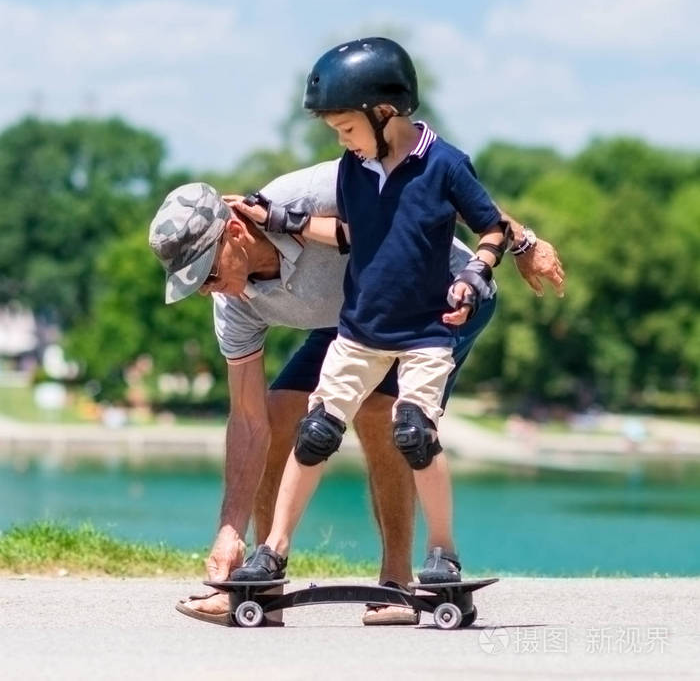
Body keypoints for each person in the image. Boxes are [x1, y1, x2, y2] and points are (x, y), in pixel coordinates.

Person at [149, 164, 564, 624]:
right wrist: (229, 531)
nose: (208, 291)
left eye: (206, 274)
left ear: (234, 233)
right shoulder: (233, 304)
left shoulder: (306, 197)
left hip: (439, 292)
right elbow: (248, 421)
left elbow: (436, 187)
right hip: (354, 319)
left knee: (378, 412)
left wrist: (522, 242)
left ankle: (396, 581)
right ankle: (260, 581)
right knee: (279, 410)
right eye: (195, 285)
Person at [227, 37, 534, 586]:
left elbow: (490, 225)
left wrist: (477, 273)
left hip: (425, 333)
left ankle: (441, 553)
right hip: (359, 333)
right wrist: (281, 218)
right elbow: (347, 235)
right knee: (315, 431)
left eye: (346, 128)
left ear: (384, 112)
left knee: (413, 431)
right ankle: (272, 550)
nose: (342, 141)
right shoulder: (354, 168)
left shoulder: (444, 165)